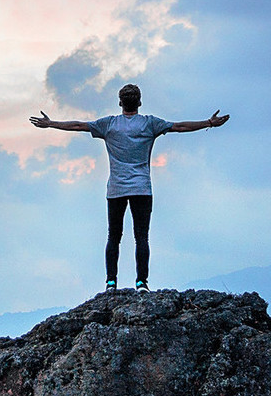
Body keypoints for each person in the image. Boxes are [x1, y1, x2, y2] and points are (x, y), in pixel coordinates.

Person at [29, 84, 229, 293]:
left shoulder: (109, 124)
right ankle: (141, 283)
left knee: (113, 236)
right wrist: (209, 123)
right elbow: (180, 127)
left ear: (120, 102)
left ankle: (110, 283)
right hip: (142, 188)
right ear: (140, 102)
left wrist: (51, 124)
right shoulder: (150, 124)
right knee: (141, 237)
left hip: (116, 189)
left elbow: (78, 125)